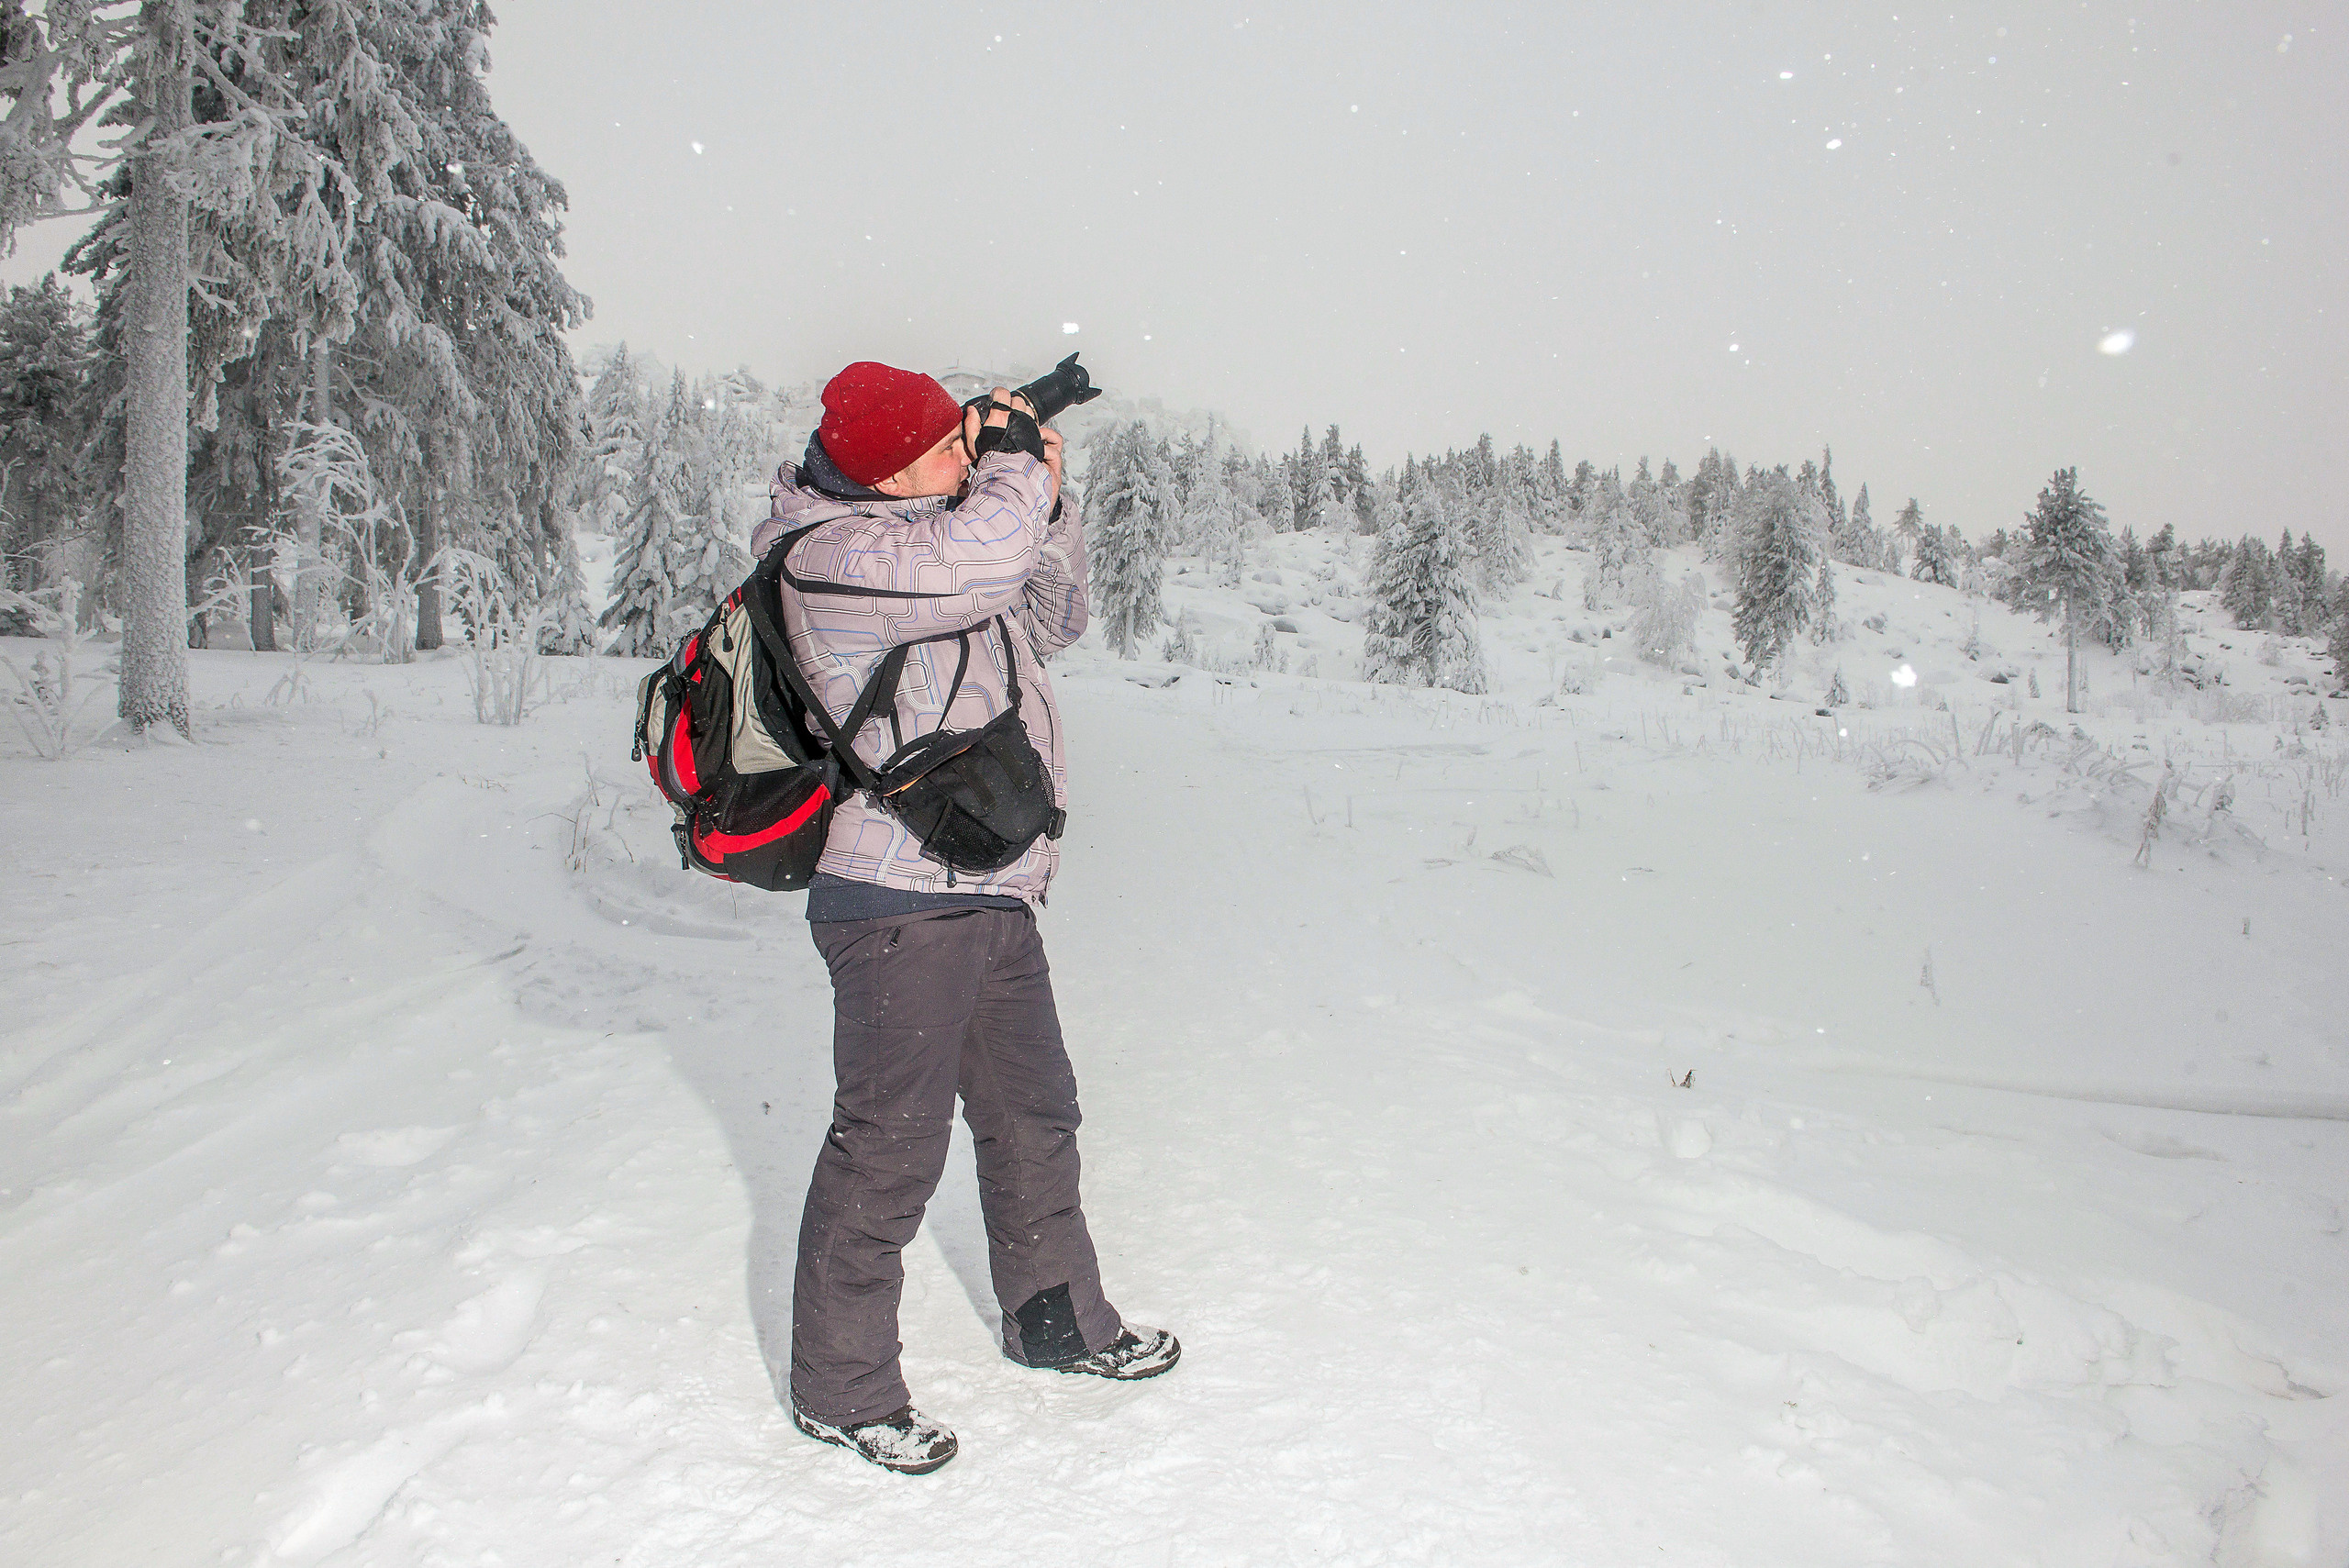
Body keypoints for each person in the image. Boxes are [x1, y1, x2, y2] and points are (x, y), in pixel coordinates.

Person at [745, 361, 1178, 1475]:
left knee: (1036, 1114)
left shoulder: (933, 535)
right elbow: (985, 552)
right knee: (889, 1147)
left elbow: (1052, 609)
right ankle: (841, 1389)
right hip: (893, 899)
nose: (963, 462)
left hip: (990, 886)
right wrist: (1013, 469)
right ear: (888, 468)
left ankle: (1056, 1320)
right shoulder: (833, 555)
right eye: (946, 449)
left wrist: (1050, 493)